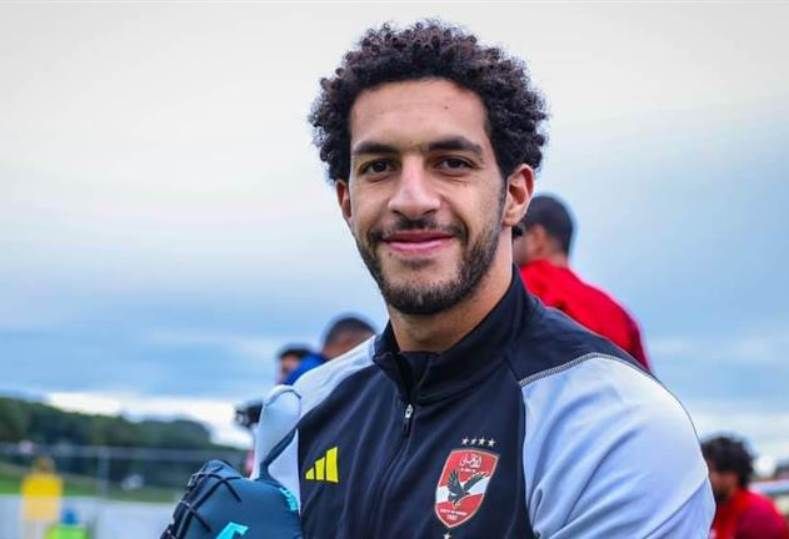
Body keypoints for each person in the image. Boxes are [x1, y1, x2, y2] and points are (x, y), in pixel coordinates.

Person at [250, 21, 714, 537]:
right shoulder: (303, 410)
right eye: (379, 166)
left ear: (515, 196)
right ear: (347, 202)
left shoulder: (616, 428)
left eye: (451, 162)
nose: (412, 199)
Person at [513, 194, 651, 371]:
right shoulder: (618, 313)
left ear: (536, 238)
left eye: (513, 234)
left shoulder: (522, 287)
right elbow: (644, 381)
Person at [702, 435, 789, 539]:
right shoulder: (713, 508)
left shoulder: (757, 513)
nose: (708, 477)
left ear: (734, 474)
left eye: (712, 470)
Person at [282, 315, 375, 384]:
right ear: (346, 342)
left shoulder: (309, 369)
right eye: (364, 347)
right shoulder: (320, 376)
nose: (369, 355)